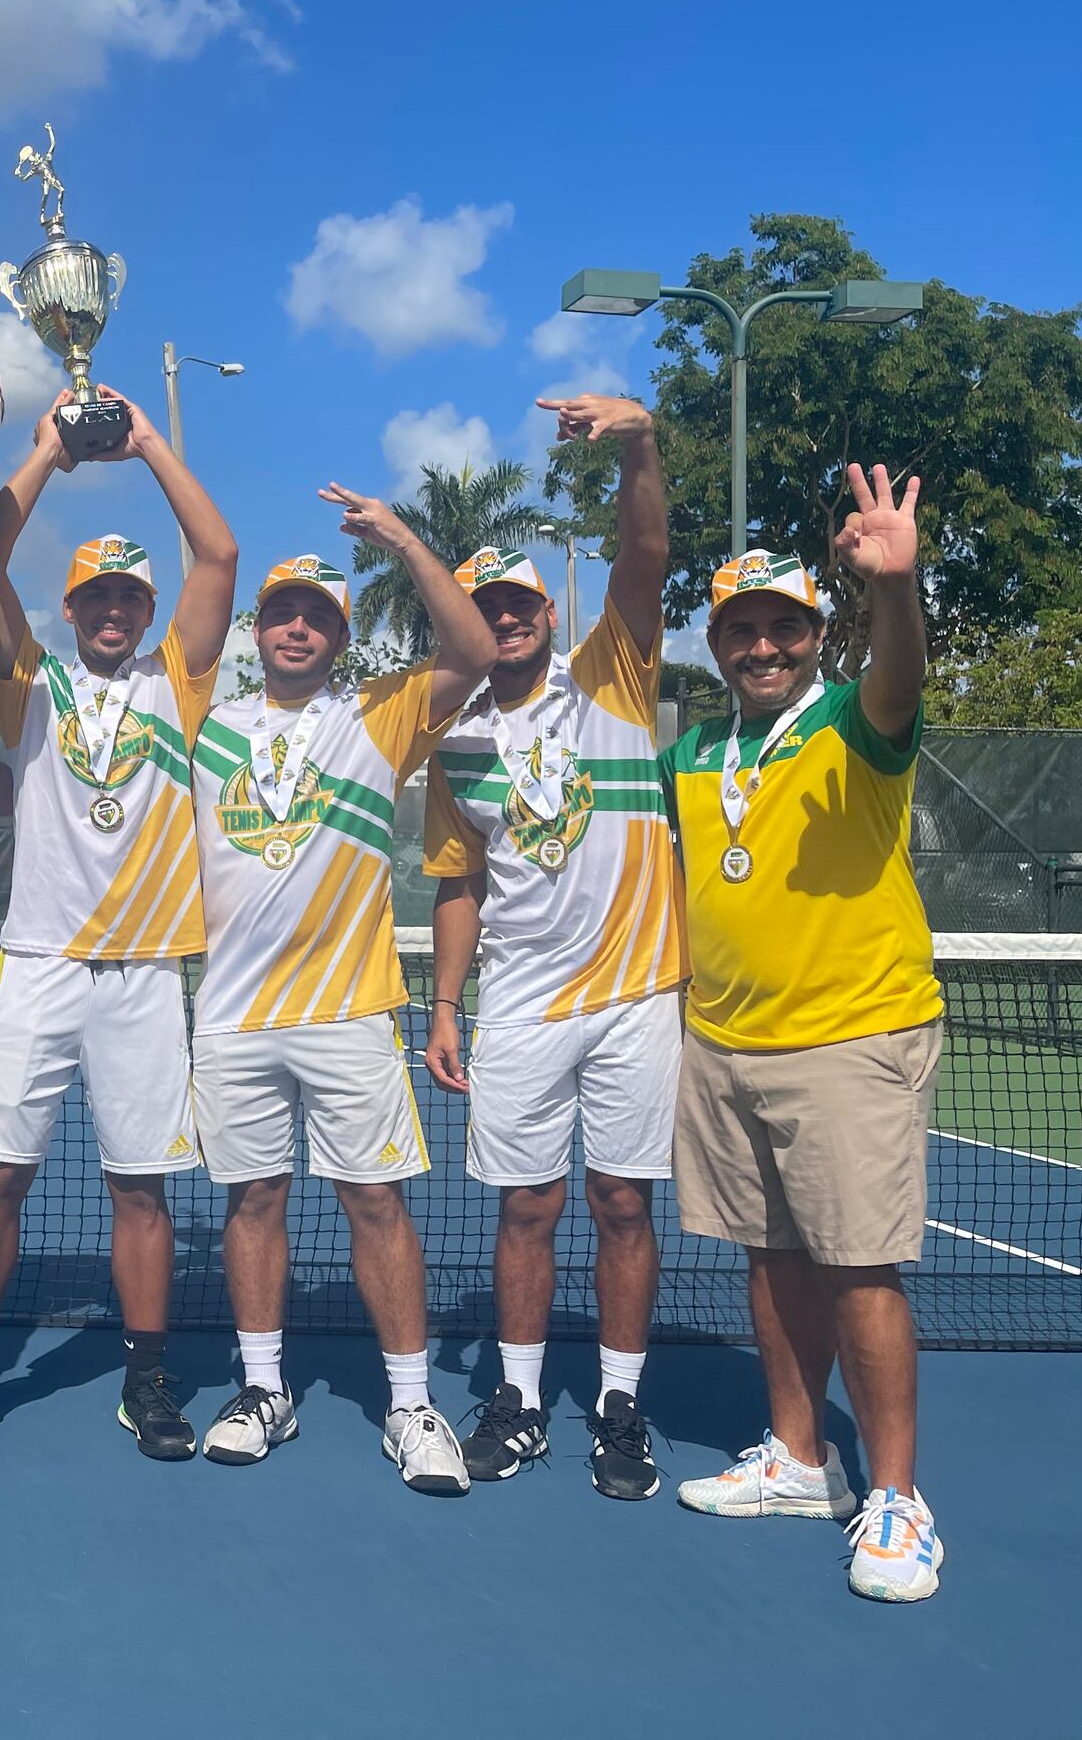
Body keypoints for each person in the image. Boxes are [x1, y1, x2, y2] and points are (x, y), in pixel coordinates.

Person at [661, 468, 947, 1603]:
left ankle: (897, 1497)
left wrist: (897, 585)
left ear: (816, 634)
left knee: (858, 1271)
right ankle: (797, 1457)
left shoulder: (856, 719)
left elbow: (901, 672)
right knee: (770, 1259)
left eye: (783, 626)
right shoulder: (694, 754)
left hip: (849, 1037)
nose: (762, 647)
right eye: (743, 630)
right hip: (726, 1042)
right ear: (719, 643)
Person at [0, 389, 237, 1460]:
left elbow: (219, 555)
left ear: (147, 610)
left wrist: (149, 439)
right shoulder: (29, 689)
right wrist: (50, 456)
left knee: (140, 1190)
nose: (114, 609)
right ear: (69, 609)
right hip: (41, 966)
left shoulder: (179, 686)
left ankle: (147, 1383)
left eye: (128, 597)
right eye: (96, 597)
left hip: (147, 975)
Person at [187, 492, 496, 1491]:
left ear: (339, 636)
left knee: (375, 1203)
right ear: (259, 625)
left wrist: (403, 540)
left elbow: (476, 650)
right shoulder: (208, 724)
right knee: (253, 1202)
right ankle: (263, 1389)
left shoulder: (379, 714)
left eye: (317, 616)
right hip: (232, 1015)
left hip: (350, 1009)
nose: (296, 627)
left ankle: (410, 1405)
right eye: (282, 611)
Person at [421, 394, 682, 1500]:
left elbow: (646, 548)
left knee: (623, 1204)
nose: (507, 619)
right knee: (525, 1207)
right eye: (487, 608)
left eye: (519, 601)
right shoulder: (454, 742)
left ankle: (620, 1408)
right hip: (520, 1004)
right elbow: (459, 885)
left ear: (543, 609)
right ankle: (519, 1402)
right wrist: (440, 1007)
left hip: (636, 1000)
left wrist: (639, 443)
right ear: (471, 625)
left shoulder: (610, 674)